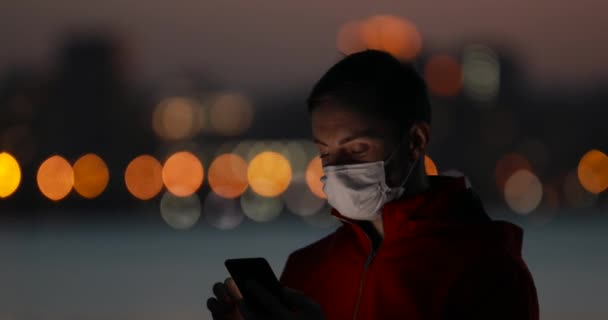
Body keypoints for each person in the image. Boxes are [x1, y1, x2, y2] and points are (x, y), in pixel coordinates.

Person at [207, 50, 539, 320]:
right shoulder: (308, 268)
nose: (337, 167)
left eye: (357, 148)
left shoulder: (488, 269)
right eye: (325, 152)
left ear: (415, 141)